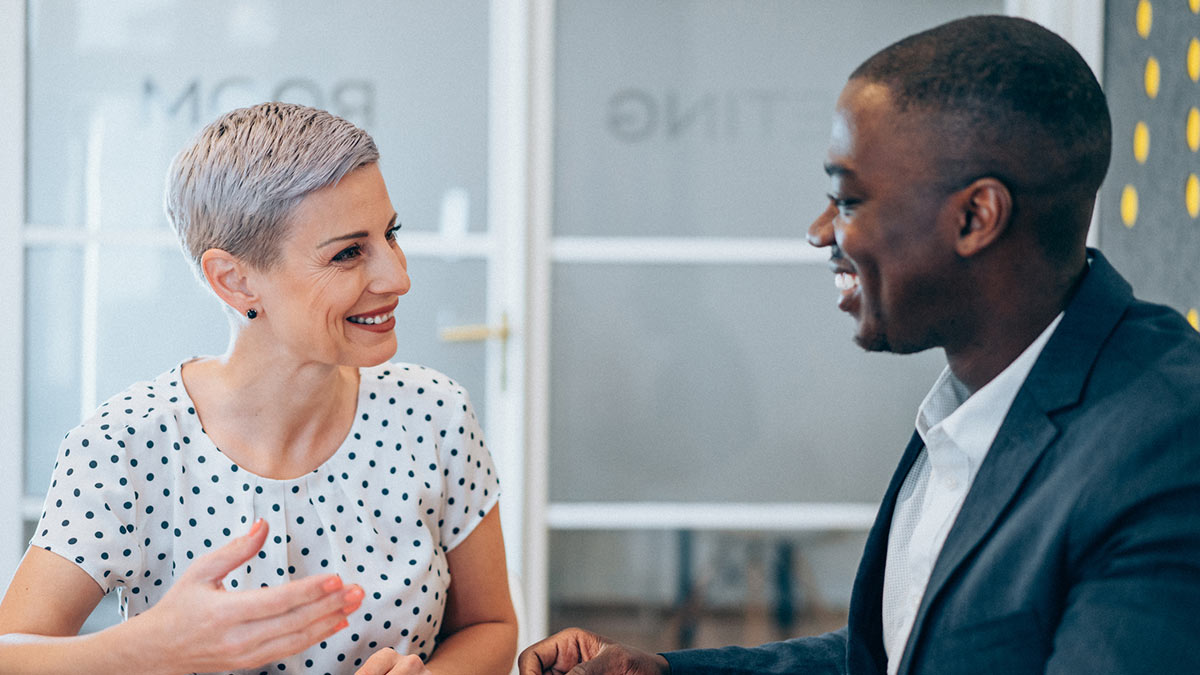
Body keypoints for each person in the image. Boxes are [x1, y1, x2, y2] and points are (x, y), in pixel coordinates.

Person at [519, 15, 1200, 675]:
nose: (820, 232)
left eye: (847, 201)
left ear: (975, 217)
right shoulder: (976, 393)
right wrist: (665, 672)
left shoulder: (1165, 445)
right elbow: (894, 653)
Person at [0, 103, 518, 674]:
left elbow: (489, 627)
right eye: (348, 253)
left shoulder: (433, 414)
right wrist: (148, 647)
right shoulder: (126, 444)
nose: (398, 276)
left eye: (390, 234)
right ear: (236, 279)